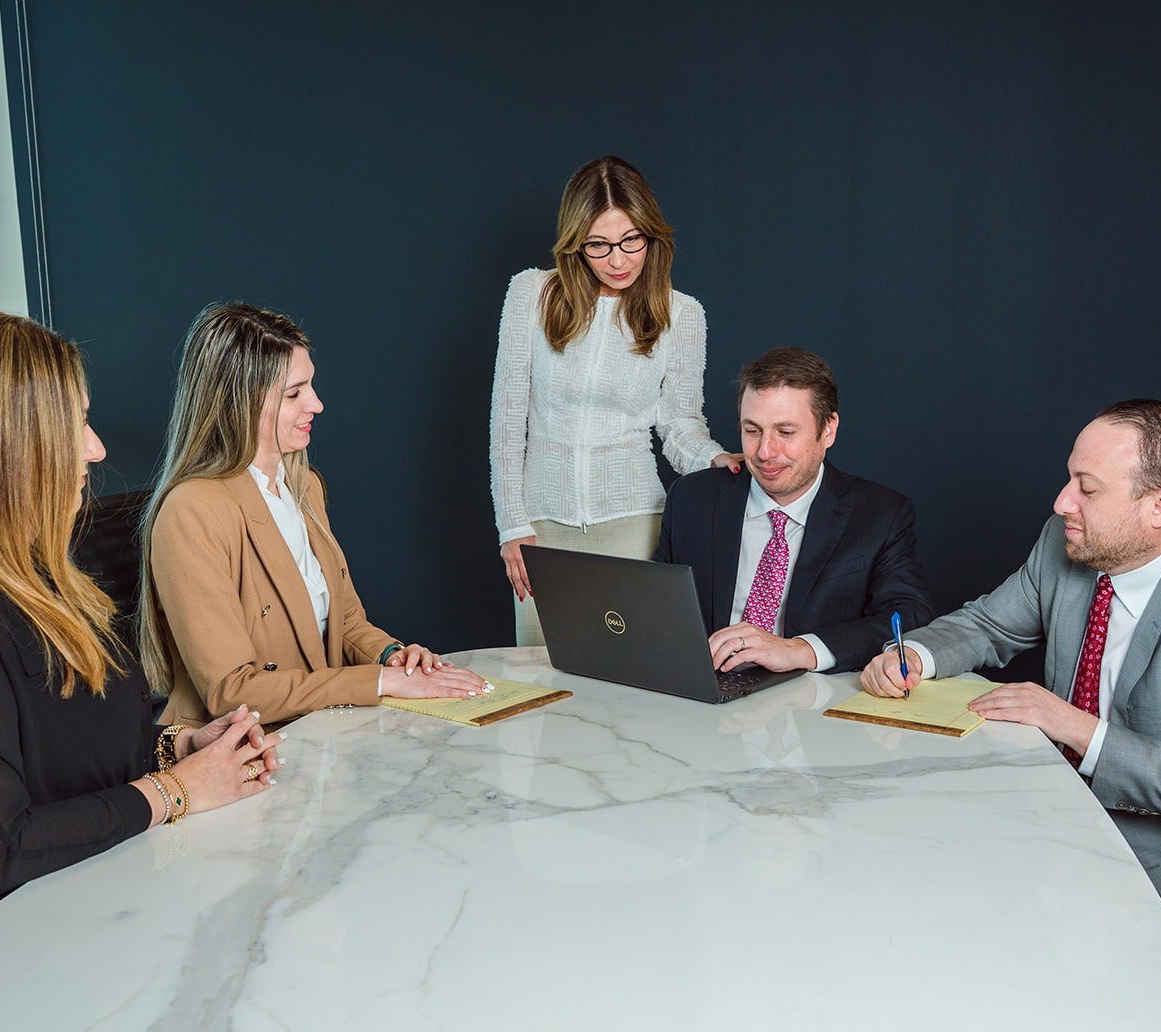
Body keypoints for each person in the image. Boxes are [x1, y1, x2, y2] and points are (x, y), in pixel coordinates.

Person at [0, 309, 281, 922]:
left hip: (109, 904)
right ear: (2, 447)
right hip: (10, 964)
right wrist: (179, 792)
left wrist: (182, 750)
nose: (96, 448)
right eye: (75, 424)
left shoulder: (37, 581)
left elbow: (61, 757)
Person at [859, 399, 1161, 982]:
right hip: (1064, 799)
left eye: (1087, 488)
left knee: (1028, 947)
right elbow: (990, 625)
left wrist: (1071, 724)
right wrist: (913, 656)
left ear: (1160, 507)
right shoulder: (1066, 542)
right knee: (919, 864)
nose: (1061, 503)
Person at [140, 303, 489, 727]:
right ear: (240, 402)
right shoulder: (190, 512)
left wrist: (392, 657)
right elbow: (232, 692)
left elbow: (343, 620)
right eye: (294, 394)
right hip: (240, 750)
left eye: (311, 387)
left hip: (321, 733)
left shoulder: (305, 486)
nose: (318, 404)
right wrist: (379, 683)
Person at [490, 155, 739, 646]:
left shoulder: (681, 314)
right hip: (541, 528)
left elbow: (678, 424)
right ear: (575, 244)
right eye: (599, 246)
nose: (619, 260)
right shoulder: (530, 295)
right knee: (546, 683)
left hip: (636, 523)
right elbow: (506, 419)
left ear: (651, 234)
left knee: (631, 679)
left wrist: (715, 459)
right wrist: (511, 525)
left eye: (631, 241)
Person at [654, 346, 935, 675]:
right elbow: (657, 604)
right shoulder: (691, 498)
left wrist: (801, 650)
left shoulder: (880, 514)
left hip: (810, 703)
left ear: (828, 430)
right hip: (705, 693)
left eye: (785, 432)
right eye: (752, 430)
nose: (764, 452)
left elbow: (910, 614)